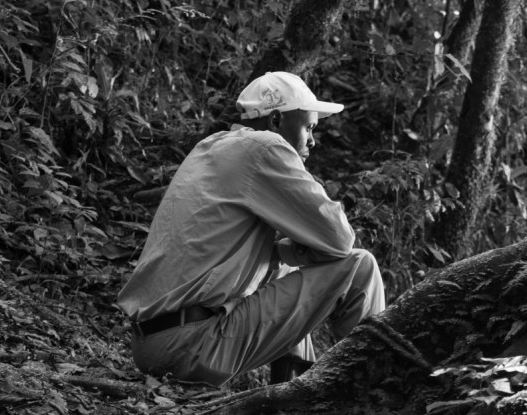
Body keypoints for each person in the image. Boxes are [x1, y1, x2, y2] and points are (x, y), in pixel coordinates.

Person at [117, 71, 385, 386]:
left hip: (151, 343)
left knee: (283, 272)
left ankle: (296, 389)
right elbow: (339, 239)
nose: (313, 140)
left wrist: (289, 252)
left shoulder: (213, 146)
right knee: (359, 266)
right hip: (193, 346)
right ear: (275, 121)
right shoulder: (265, 148)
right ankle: (372, 390)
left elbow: (233, 253)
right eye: (308, 127)